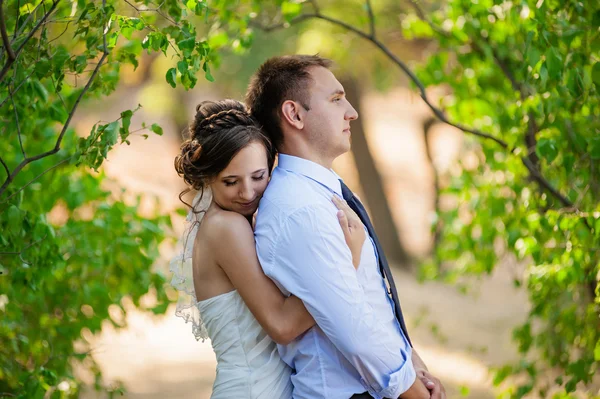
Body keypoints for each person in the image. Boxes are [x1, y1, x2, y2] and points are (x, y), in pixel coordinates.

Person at [247, 55, 447, 399]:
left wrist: (414, 366)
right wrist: (412, 391)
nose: (351, 111)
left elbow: (371, 297)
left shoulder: (323, 193)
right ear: (294, 114)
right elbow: (352, 329)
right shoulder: (300, 209)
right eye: (336, 99)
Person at [170, 99, 367, 398]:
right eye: (231, 181)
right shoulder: (226, 227)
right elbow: (283, 325)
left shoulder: (235, 222)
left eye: (259, 177)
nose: (248, 193)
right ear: (207, 178)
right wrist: (346, 260)